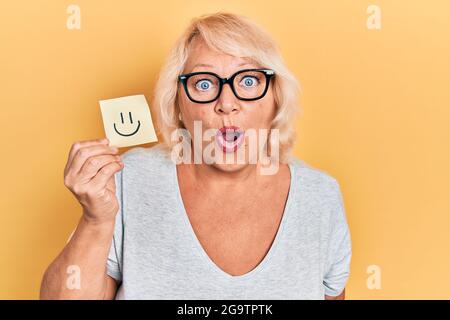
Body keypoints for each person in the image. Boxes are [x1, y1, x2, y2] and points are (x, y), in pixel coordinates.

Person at [40, 12, 351, 300]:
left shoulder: (320, 197)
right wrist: (96, 220)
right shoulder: (128, 180)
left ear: (276, 97)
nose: (227, 103)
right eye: (204, 83)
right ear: (178, 105)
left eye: (248, 80)